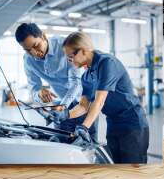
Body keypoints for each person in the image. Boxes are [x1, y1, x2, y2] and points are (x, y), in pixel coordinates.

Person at [51, 32, 149, 164]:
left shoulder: (107, 63)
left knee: (133, 168)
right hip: (113, 123)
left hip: (132, 122)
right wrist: (64, 114)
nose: (70, 61)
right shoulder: (86, 76)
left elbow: (99, 100)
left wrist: (84, 127)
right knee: (115, 164)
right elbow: (83, 106)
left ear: (83, 51)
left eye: (70, 57)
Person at [14, 23, 97, 139]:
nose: (34, 53)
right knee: (61, 143)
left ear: (44, 36)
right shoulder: (28, 61)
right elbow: (33, 90)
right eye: (28, 50)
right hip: (60, 106)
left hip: (84, 103)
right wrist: (39, 93)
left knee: (88, 143)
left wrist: (63, 106)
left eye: (36, 45)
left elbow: (76, 83)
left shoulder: (66, 47)